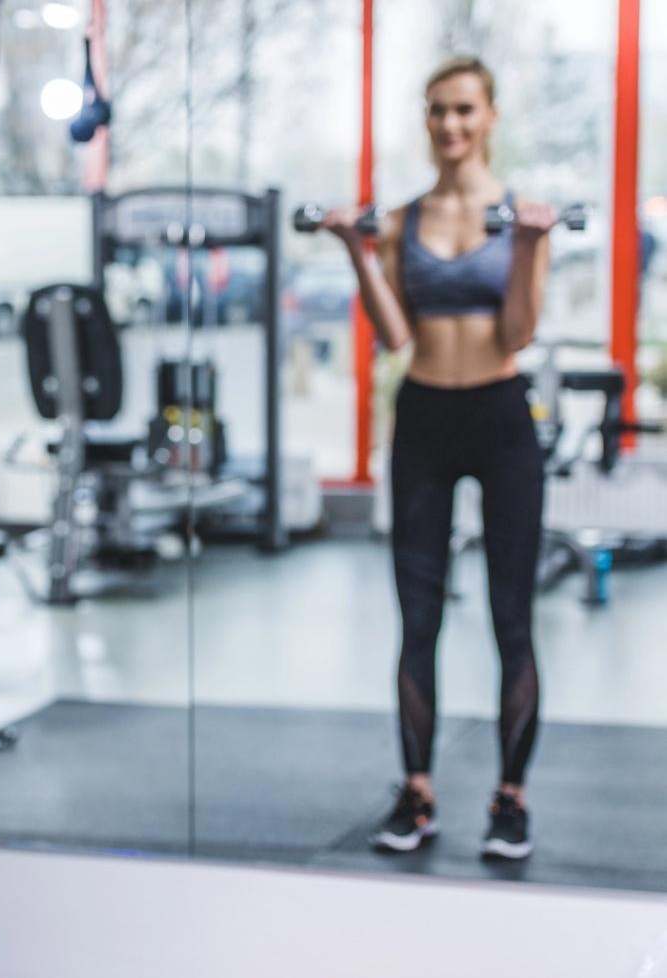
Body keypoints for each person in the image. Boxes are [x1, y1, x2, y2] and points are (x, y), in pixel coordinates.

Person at [322, 56, 552, 861]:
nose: (448, 126)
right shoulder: (400, 219)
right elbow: (393, 335)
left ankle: (509, 799)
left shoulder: (520, 215)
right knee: (416, 619)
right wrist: (355, 248)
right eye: (435, 111)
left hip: (499, 417)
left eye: (462, 110)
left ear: (489, 116)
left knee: (509, 618)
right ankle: (416, 792)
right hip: (421, 415)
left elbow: (518, 331)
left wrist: (525, 246)